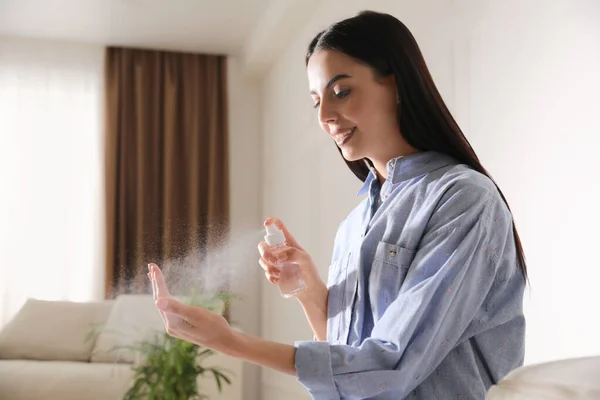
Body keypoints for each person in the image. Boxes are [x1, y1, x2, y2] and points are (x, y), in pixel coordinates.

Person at [148, 10, 527, 400]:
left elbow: (389, 366)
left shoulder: (463, 199)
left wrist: (231, 342)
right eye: (317, 101)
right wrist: (310, 292)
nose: (326, 116)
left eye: (341, 91)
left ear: (396, 84)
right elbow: (345, 356)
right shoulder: (355, 222)